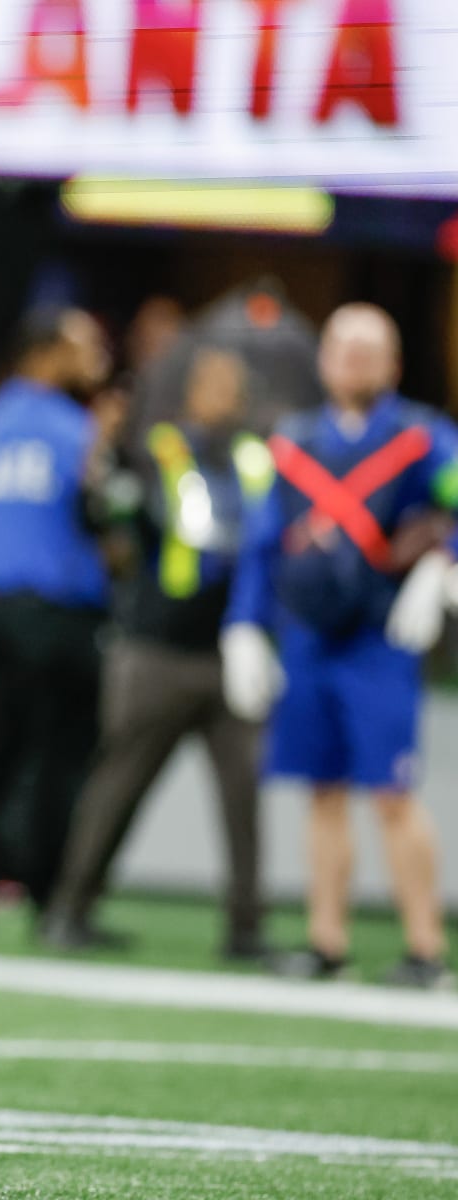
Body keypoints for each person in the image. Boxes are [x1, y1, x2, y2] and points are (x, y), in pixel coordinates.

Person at [222, 302, 455, 990]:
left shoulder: (422, 437)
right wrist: (243, 625)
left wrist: (442, 569)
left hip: (380, 637)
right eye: (342, 346)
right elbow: (263, 542)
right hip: (309, 635)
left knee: (392, 791)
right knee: (320, 791)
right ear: (322, 358)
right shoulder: (290, 442)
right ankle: (327, 940)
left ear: (394, 363)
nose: (352, 359)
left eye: (368, 348)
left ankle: (426, 947)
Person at [42, 348, 272, 959]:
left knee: (244, 796)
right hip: (157, 649)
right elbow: (106, 510)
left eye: (233, 383)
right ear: (192, 390)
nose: (224, 393)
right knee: (119, 784)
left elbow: (266, 542)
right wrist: (103, 448)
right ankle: (69, 908)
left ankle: (246, 929)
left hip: (231, 651)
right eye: (213, 382)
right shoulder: (155, 450)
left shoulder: (256, 459)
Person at [0, 308, 113, 934]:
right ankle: (50, 899)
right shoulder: (74, 429)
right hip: (60, 614)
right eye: (82, 344)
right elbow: (101, 515)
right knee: (61, 762)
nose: (96, 353)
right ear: (46, 353)